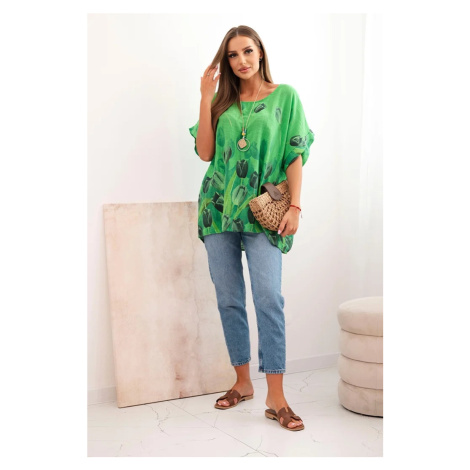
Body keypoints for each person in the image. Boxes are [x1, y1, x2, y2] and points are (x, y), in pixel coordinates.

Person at [189, 25, 314, 431]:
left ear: (260, 52)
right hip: (218, 210)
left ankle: (276, 396)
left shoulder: (285, 96)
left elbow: (295, 153)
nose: (241, 60)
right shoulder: (221, 102)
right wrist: (205, 97)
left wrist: (295, 206)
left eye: (247, 51)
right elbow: (205, 152)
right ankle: (242, 383)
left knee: (268, 299)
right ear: (226, 61)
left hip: (264, 211)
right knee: (229, 299)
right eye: (232, 55)